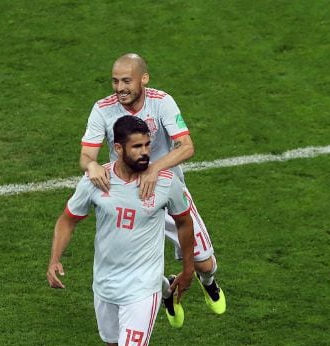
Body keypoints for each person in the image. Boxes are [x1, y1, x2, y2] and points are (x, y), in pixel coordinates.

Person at [48, 115, 195, 346]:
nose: (146, 153)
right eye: (137, 147)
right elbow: (67, 219)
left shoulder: (165, 183)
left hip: (140, 290)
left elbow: (184, 222)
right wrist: (54, 260)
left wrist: (189, 268)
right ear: (118, 149)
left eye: (148, 145)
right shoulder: (97, 182)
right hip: (106, 286)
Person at [80, 53, 226, 329]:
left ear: (143, 79)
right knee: (133, 266)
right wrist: (92, 166)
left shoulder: (162, 103)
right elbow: (87, 155)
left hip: (168, 193)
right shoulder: (102, 109)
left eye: (126, 81)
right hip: (129, 200)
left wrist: (154, 169)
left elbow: (187, 146)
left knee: (204, 263)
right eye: (115, 81)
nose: (119, 88)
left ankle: (208, 281)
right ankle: (168, 292)